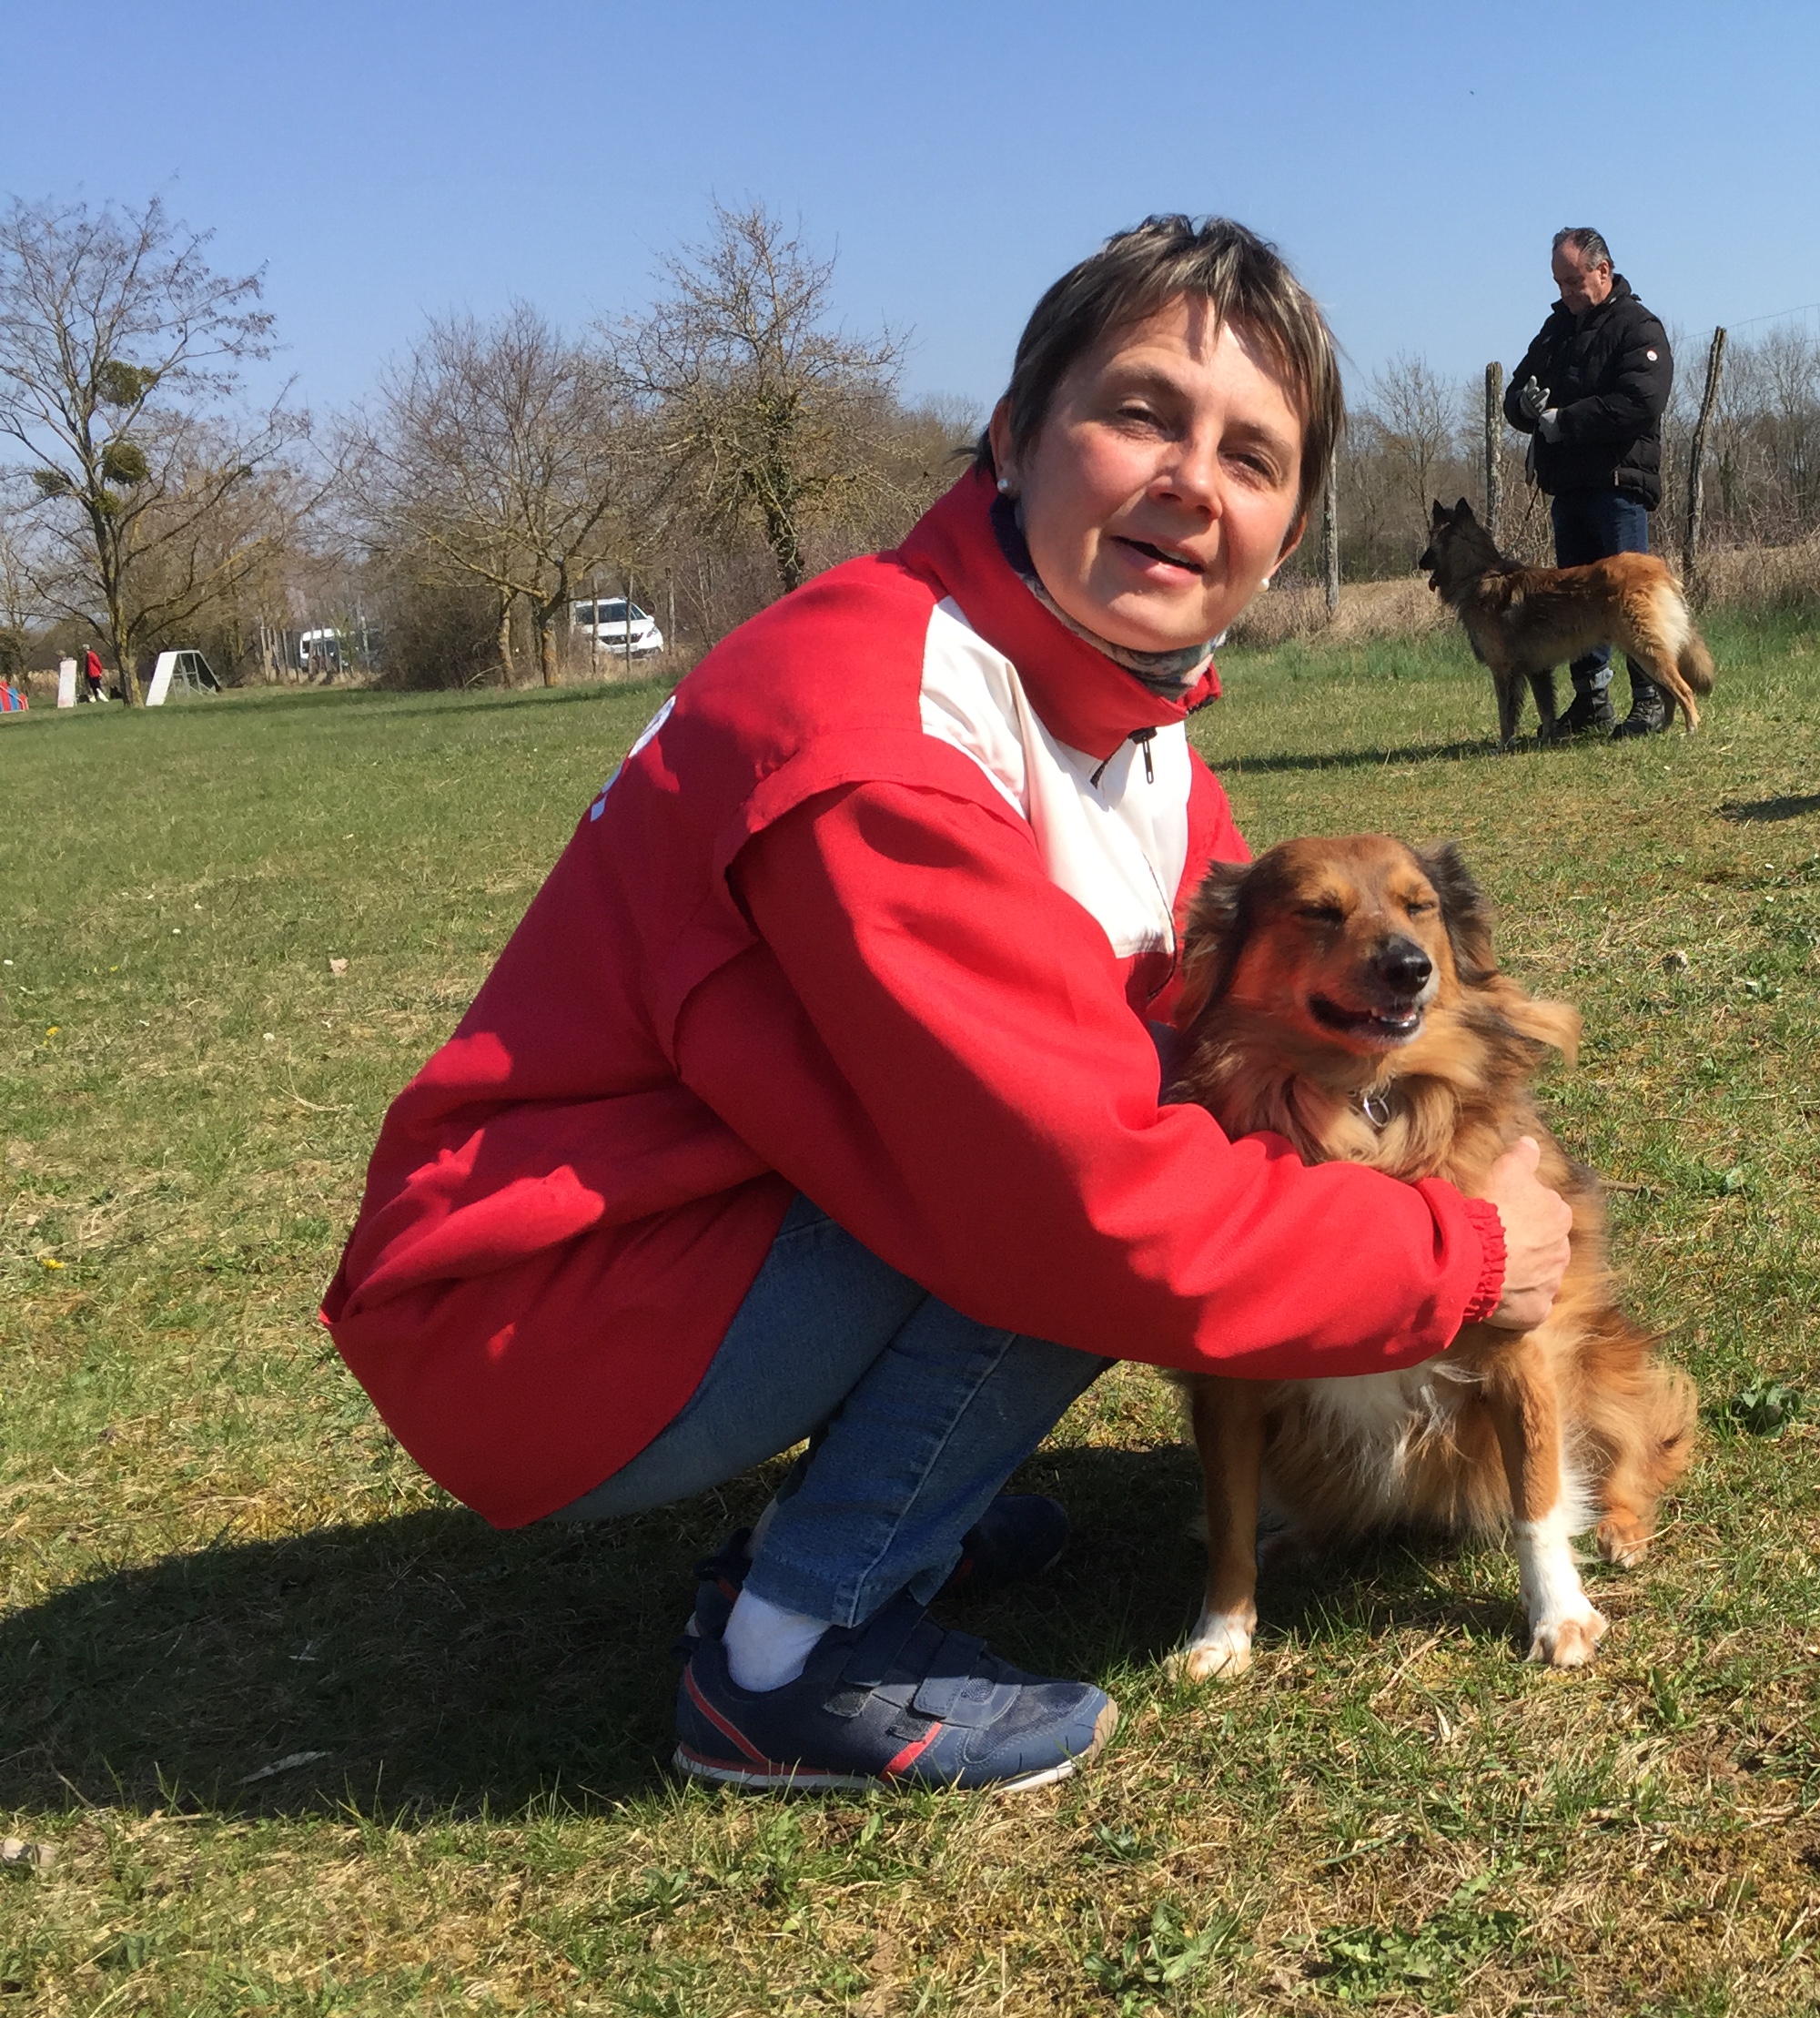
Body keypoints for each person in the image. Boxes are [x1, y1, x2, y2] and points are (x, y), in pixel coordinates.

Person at [321, 217, 1577, 1796]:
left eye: (1250, 454)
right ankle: (788, 1652)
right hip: (540, 1314)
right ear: (1013, 432)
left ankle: (917, 1495)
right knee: (1062, 1186)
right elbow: (1087, 1194)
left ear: (1287, 522)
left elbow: (1220, 1044)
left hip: (675, 1242)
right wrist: (1465, 1251)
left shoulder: (1119, 715)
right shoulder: (873, 725)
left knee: (1108, 1115)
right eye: (1139, 412)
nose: (1192, 478)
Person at [1502, 228, 1677, 736]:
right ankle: (1591, 701)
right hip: (1569, 487)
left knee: (1627, 599)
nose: (1566, 293)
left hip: (1618, 483)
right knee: (1577, 604)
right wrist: (1525, 408)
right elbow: (1515, 391)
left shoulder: (1638, 327)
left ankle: (1648, 699)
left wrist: (1566, 421)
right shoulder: (1557, 330)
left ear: (1604, 270)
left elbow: (1639, 402)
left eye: (1573, 281)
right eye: (1558, 283)